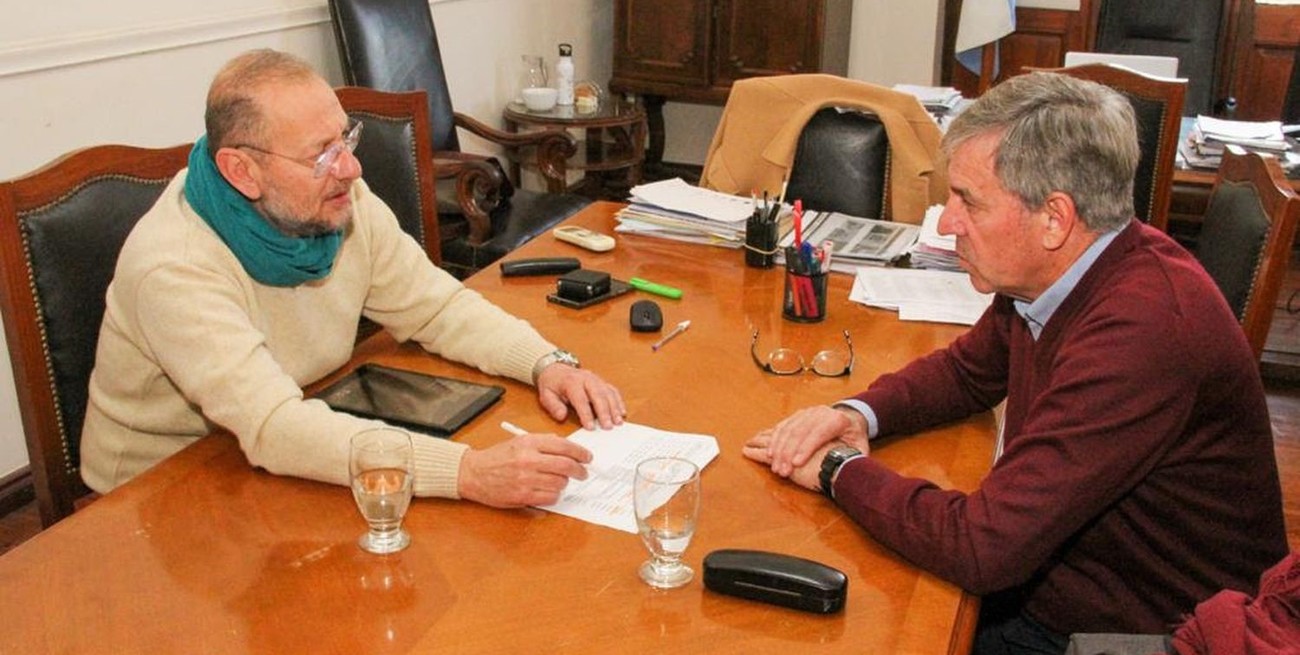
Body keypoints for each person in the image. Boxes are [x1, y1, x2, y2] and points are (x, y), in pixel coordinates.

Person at [742, 71, 1289, 654]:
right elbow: (967, 371)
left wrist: (837, 470)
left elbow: (982, 548)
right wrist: (857, 414)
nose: (948, 222)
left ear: (1054, 218)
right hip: (1065, 579)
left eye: (968, 201)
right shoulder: (1059, 271)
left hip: (1134, 631)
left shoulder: (1141, 333)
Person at [80, 49, 626, 509]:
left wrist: (544, 362)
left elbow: (434, 306)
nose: (350, 168)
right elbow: (274, 427)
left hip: (291, 432)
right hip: (161, 496)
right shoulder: (174, 265)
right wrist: (467, 472)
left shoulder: (334, 201)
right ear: (241, 171)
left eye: (345, 139)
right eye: (321, 154)